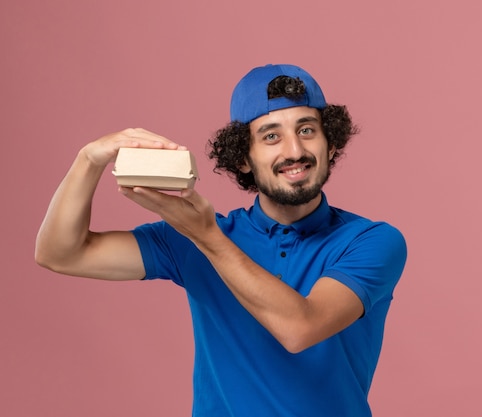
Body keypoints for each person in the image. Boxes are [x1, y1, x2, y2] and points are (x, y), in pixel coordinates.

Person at [35, 64, 407, 417]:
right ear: (242, 158)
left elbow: (300, 328)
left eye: (307, 130)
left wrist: (205, 235)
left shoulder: (372, 241)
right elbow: (61, 254)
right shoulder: (195, 237)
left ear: (331, 143)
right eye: (271, 136)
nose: (294, 151)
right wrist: (88, 160)